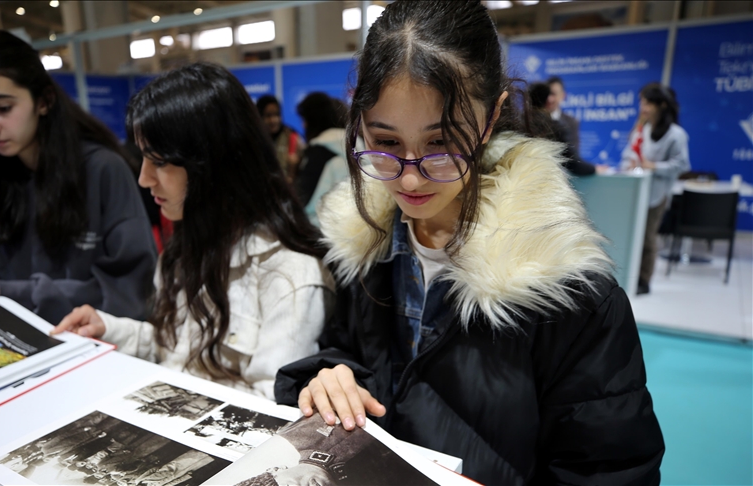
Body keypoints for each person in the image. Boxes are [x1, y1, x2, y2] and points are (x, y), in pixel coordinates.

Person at [274, 2, 665, 485]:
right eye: (387, 143)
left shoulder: (570, 293)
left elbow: (611, 470)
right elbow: (344, 349)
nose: (411, 177)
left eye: (441, 144)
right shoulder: (360, 249)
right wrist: (333, 374)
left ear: (492, 115)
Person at [52, 63, 335, 399]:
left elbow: (272, 402)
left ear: (213, 164)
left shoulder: (289, 272)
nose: (144, 179)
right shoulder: (185, 248)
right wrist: (110, 328)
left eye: (158, 161)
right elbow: (174, 349)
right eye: (143, 158)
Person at [0, 29, 157, 325]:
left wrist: (2, 290)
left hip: (94, 346)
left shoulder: (103, 170)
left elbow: (129, 292)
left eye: (2, 108)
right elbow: (20, 275)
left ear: (44, 101)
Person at [621, 83, 690, 295]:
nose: (643, 107)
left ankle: (644, 279)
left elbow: (682, 165)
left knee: (648, 237)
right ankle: (629, 275)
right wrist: (631, 164)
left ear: (661, 105)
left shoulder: (676, 134)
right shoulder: (641, 128)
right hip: (635, 191)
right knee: (632, 235)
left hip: (656, 194)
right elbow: (628, 155)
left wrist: (654, 166)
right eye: (642, 102)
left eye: (648, 103)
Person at [295, 92, 351, 225]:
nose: (303, 126)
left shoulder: (319, 151)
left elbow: (303, 198)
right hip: (354, 227)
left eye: (305, 120)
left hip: (323, 229)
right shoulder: (354, 143)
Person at [528, 82, 599, 176]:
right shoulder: (554, 128)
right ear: (548, 100)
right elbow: (573, 163)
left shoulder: (518, 124)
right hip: (545, 181)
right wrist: (594, 169)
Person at [257, 94, 305, 182]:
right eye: (268, 115)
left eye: (277, 114)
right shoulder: (255, 139)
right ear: (259, 116)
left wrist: (297, 164)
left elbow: (305, 167)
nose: (273, 120)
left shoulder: (292, 136)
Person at [546, 76, 580, 155]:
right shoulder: (533, 120)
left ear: (562, 95)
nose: (549, 99)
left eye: (553, 94)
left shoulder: (571, 122)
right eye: (547, 94)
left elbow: (574, 155)